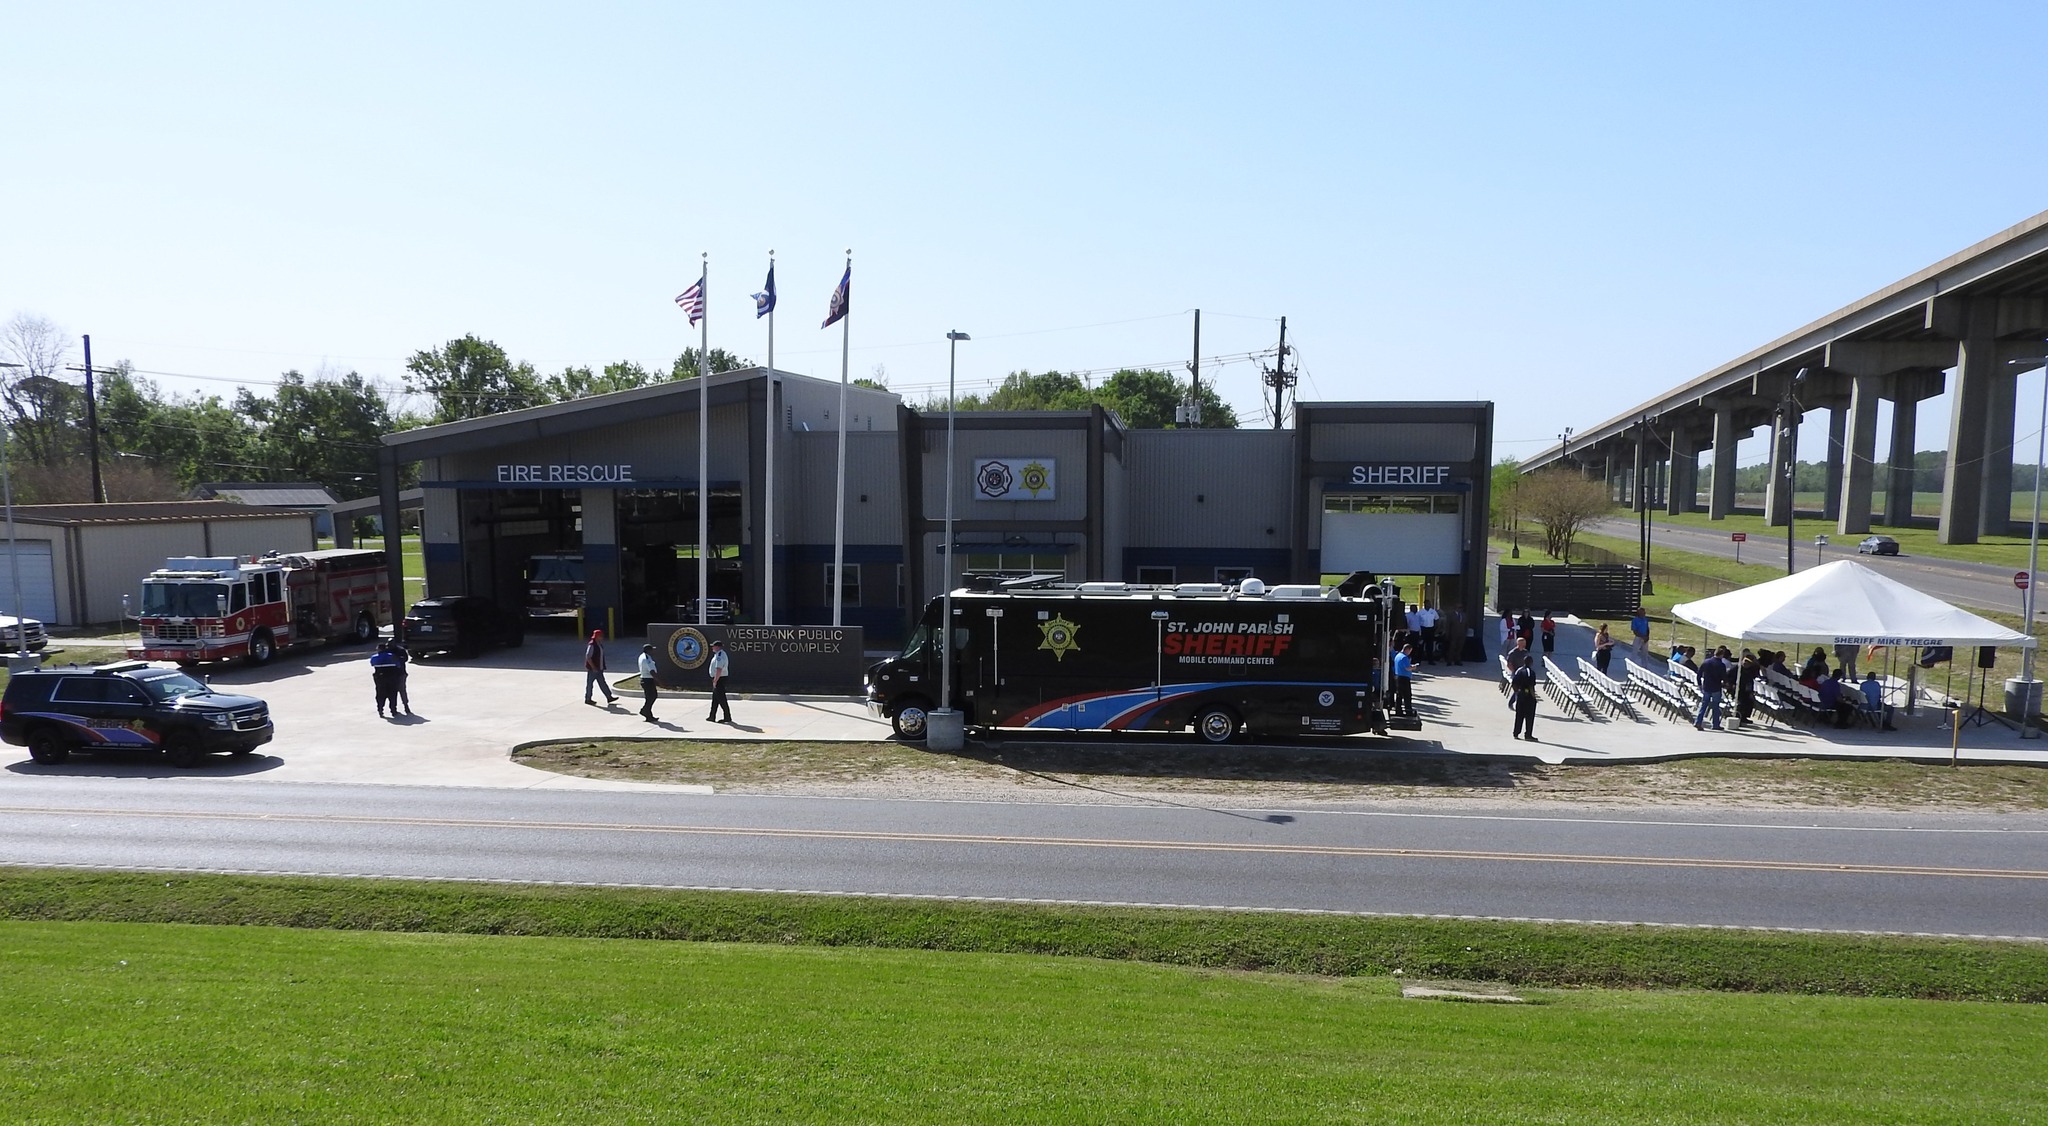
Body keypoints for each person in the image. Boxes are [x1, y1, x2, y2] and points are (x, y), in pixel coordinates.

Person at [1694, 646, 1729, 731]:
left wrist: (1699, 684)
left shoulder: (1706, 662)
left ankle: (1698, 721)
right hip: (1716, 687)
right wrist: (1726, 684)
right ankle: (1715, 724)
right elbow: (1724, 677)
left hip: (1706, 686)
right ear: (1722, 655)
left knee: (1704, 705)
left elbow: (1699, 674)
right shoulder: (1721, 665)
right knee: (1715, 706)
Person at [584, 629, 618, 707]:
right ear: (597, 636)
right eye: (601, 636)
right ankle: (588, 699)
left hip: (599, 668)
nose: (602, 637)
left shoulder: (598, 644)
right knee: (590, 684)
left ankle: (609, 697)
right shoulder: (592, 645)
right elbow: (588, 657)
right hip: (593, 669)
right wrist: (593, 667)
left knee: (602, 683)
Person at [369, 641, 401, 717]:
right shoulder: (392, 656)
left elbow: (372, 664)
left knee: (380, 694)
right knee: (393, 693)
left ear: (378, 649)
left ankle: (380, 710)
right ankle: (393, 710)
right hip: (392, 677)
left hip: (380, 677)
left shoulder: (374, 657)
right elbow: (398, 665)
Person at [1510, 660, 1539, 741]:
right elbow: (1531, 687)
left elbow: (1514, 684)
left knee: (1519, 715)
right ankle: (1528, 734)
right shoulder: (1531, 673)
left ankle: (1516, 733)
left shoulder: (1519, 671)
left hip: (1520, 694)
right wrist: (1534, 697)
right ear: (1531, 663)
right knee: (1529, 716)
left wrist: (1517, 692)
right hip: (1528, 696)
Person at [705, 639, 733, 723]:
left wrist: (715, 680)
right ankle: (712, 716)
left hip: (719, 679)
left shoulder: (720, 655)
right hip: (718, 678)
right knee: (715, 699)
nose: (712, 647)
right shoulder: (718, 654)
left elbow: (719, 669)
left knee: (721, 698)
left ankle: (727, 716)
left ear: (717, 647)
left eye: (713, 646)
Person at [1734, 649, 1759, 729]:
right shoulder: (1737, 669)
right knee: (1740, 705)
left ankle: (1744, 717)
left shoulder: (1750, 670)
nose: (1746, 664)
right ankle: (1738, 719)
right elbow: (1729, 677)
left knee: (1749, 703)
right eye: (1745, 662)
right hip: (1739, 689)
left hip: (1747, 690)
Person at [389, 633, 412, 716]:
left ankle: (406, 706)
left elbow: (405, 659)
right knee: (392, 691)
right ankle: (393, 708)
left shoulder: (400, 650)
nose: (389, 646)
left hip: (400, 674)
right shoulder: (387, 650)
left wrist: (396, 660)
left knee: (402, 690)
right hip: (390, 675)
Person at [637, 644, 660, 724]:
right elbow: (652, 672)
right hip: (648, 680)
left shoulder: (642, 656)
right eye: (652, 650)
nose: (653, 651)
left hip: (645, 679)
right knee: (652, 696)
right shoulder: (647, 659)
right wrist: (660, 681)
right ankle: (644, 710)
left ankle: (649, 715)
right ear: (648, 651)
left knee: (650, 697)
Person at [1390, 643, 1415, 718]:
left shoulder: (1397, 656)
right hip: (1404, 678)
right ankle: (1408, 711)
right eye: (1410, 651)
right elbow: (1407, 668)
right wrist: (1413, 667)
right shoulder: (1404, 657)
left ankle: (1398, 710)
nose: (1409, 653)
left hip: (1398, 677)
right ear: (1407, 649)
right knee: (1407, 695)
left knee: (1399, 695)